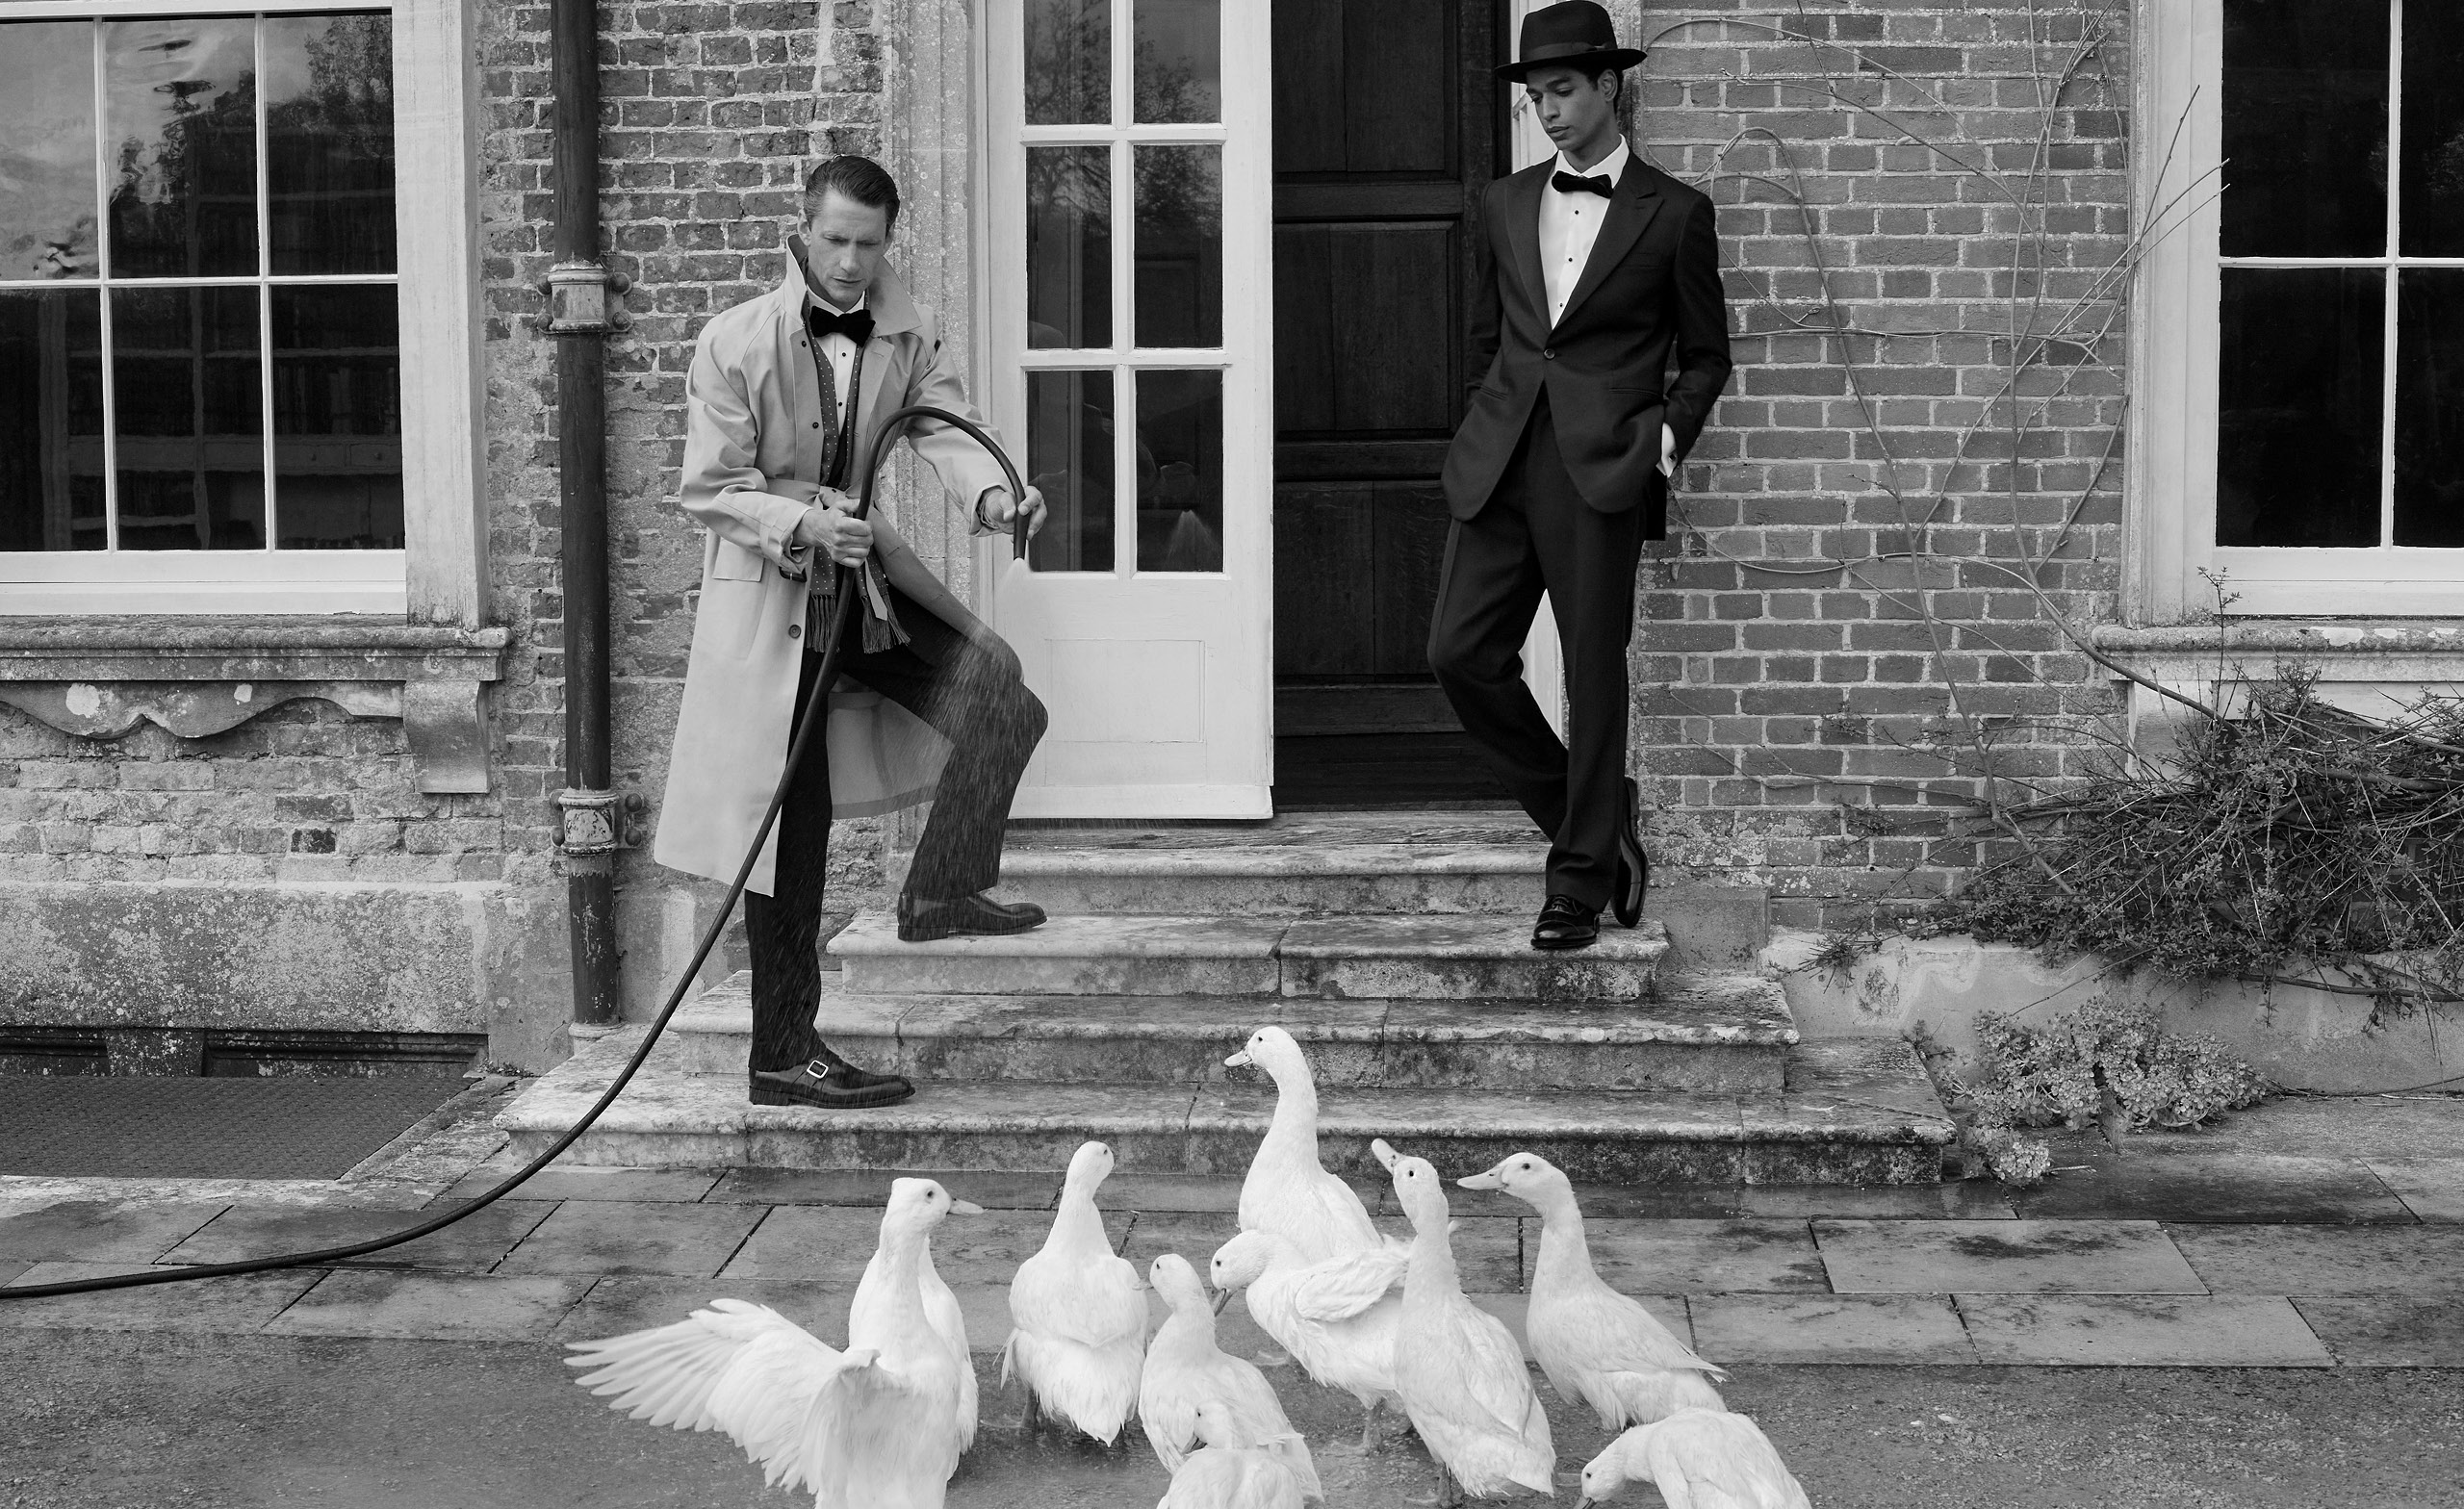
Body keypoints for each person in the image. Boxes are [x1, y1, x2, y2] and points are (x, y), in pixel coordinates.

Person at [654, 156, 1051, 1109]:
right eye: (833, 240)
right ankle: (783, 1053)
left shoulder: (907, 332)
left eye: (867, 244)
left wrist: (996, 500)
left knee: (999, 694)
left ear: (887, 241)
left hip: (864, 582)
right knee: (790, 830)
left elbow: (948, 428)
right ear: (804, 229)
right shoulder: (734, 340)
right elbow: (710, 487)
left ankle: (941, 888)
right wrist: (803, 522)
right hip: (775, 599)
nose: (848, 262)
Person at [1429, 1, 1732, 953]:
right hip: (1500, 461)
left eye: (1561, 90)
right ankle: (1589, 815)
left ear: (1608, 85)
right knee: (1459, 653)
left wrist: (1659, 442)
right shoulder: (1502, 201)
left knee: (1594, 676)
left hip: (1601, 468)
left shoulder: (1674, 213)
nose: (1548, 111)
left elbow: (1707, 356)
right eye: (1536, 97)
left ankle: (1577, 884)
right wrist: (1481, 424)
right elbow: (1486, 339)